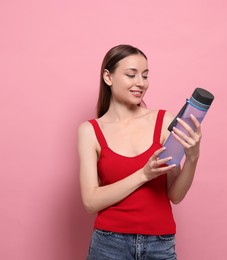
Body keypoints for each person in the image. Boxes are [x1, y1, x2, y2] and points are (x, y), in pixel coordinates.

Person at [78, 44, 202, 259]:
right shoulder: (90, 131)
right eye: (131, 75)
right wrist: (144, 175)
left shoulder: (164, 121)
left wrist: (192, 158)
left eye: (145, 76)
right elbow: (91, 201)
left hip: (160, 244)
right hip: (109, 244)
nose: (140, 83)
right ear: (108, 77)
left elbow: (175, 195)